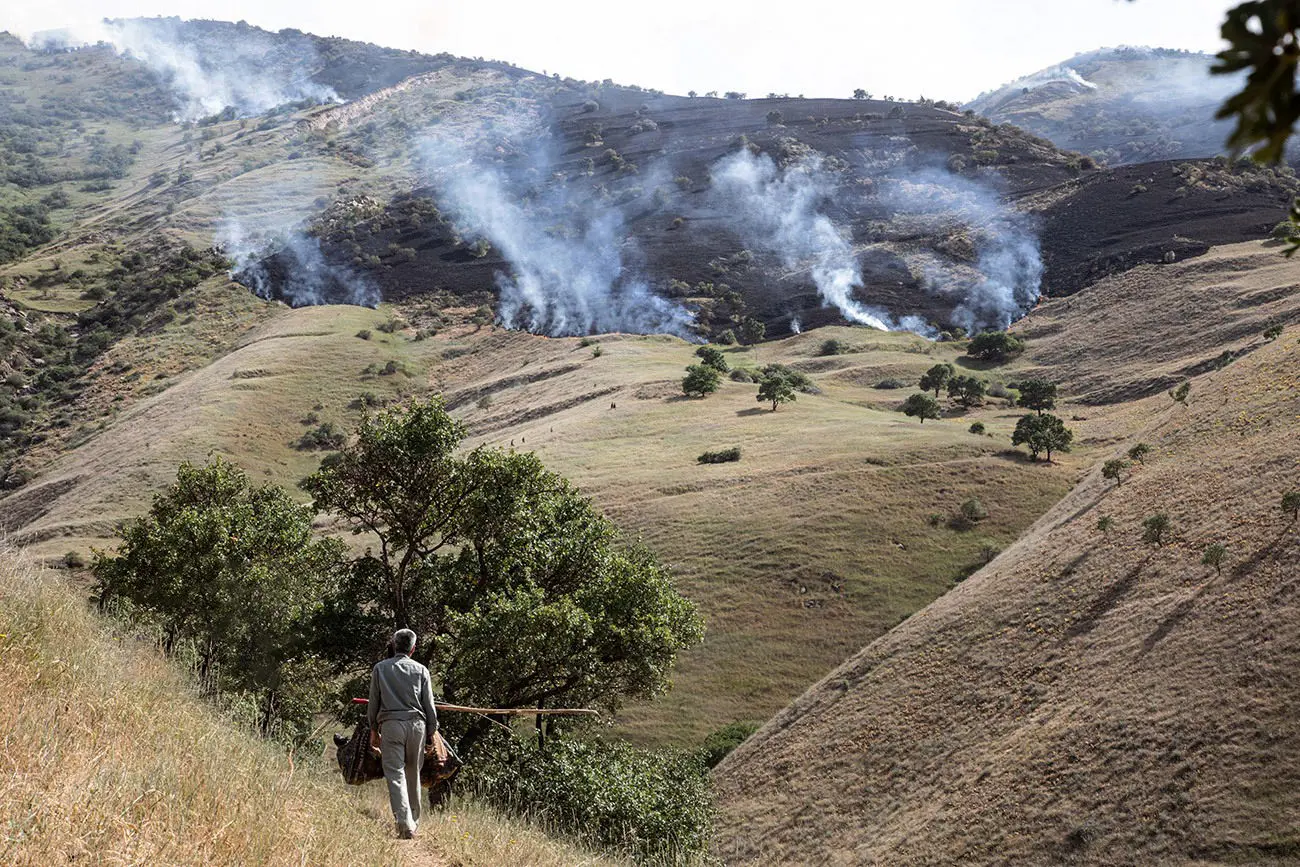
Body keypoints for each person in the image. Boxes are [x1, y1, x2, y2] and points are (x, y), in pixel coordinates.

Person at [367, 628, 440, 839]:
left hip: (391, 725)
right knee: (412, 773)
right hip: (417, 726)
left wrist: (373, 729)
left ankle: (403, 822)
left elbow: (374, 703)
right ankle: (414, 821)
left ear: (393, 644)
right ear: (413, 649)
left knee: (395, 773)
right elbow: (429, 706)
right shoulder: (421, 670)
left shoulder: (380, 669)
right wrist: (431, 732)